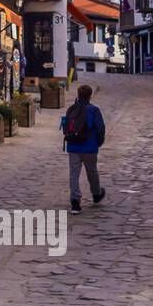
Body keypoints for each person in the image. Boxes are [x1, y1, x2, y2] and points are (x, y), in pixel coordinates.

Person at [60, 84, 106, 213]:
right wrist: (99, 142)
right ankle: (96, 194)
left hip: (73, 146)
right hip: (89, 146)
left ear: (78, 95)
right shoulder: (94, 110)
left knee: (74, 174)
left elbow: (65, 127)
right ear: (90, 96)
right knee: (92, 172)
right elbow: (100, 128)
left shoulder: (71, 109)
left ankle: (75, 201)